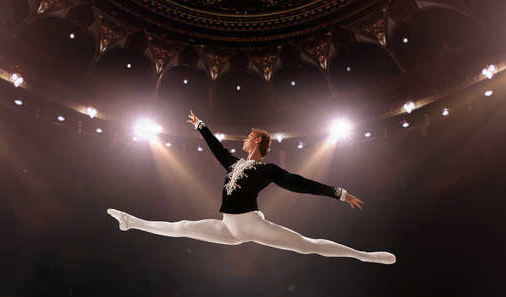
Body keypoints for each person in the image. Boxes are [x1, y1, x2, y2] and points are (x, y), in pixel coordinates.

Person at [107, 111, 395, 264]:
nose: (244, 139)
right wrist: (201, 126)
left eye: (248, 136)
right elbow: (217, 149)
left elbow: (300, 184)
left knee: (308, 246)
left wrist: (339, 193)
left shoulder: (269, 170)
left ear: (258, 141)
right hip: (227, 227)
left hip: (252, 224)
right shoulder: (233, 164)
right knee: (181, 226)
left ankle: (365, 256)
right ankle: (130, 222)